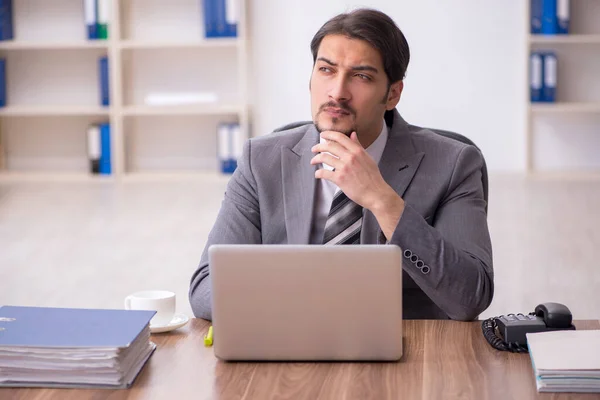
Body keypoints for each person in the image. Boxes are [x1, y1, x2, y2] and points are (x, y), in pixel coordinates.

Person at [189, 8, 493, 321]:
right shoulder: (261, 160)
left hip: (407, 353)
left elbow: (470, 296)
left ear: (392, 94)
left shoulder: (454, 164)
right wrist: (303, 306)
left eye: (361, 76)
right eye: (326, 70)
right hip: (290, 346)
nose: (337, 92)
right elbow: (206, 289)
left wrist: (383, 201)